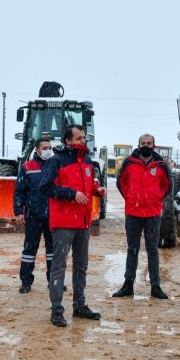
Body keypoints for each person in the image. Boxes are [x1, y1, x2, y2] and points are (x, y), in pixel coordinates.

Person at [40, 124, 108, 326]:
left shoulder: (87, 161)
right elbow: (45, 187)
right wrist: (70, 194)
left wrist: (97, 190)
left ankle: (79, 306)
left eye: (84, 138)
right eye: (79, 138)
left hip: (83, 222)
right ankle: (57, 310)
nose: (83, 141)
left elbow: (86, 184)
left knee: (81, 267)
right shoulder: (56, 161)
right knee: (59, 267)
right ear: (68, 141)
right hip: (64, 223)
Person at [112, 134, 172, 300]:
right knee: (132, 249)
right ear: (138, 145)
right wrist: (131, 198)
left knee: (152, 249)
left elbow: (167, 186)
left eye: (149, 143)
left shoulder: (161, 165)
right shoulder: (129, 163)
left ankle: (155, 286)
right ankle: (128, 284)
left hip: (152, 214)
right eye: (143, 143)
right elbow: (120, 182)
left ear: (154, 145)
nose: (146, 145)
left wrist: (154, 199)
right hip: (133, 213)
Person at [14, 137, 55, 294]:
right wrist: (18, 212)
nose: (48, 150)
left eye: (50, 147)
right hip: (33, 215)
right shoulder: (27, 167)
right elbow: (19, 191)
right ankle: (26, 282)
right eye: (45, 147)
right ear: (37, 150)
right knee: (29, 250)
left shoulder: (56, 166)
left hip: (52, 216)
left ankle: (54, 281)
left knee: (54, 251)